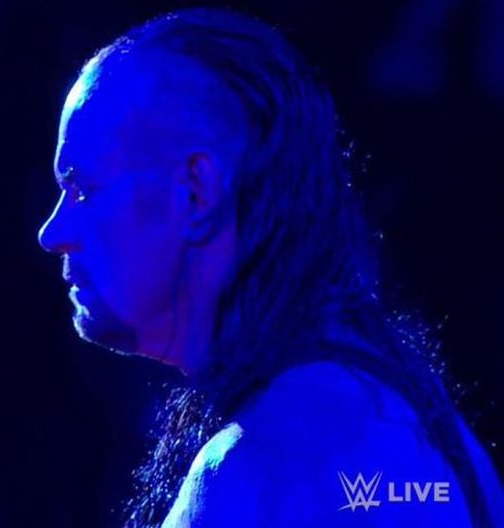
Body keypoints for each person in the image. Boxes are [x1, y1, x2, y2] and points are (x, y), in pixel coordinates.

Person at [37, 8, 504, 527]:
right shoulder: (435, 435)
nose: (52, 234)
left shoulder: (255, 471)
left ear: (196, 193)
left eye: (82, 189)